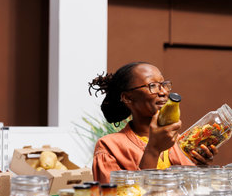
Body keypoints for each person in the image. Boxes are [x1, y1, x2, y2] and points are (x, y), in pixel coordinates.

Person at [89, 62, 218, 183]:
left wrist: (202, 168)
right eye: (152, 86)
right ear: (128, 97)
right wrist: (153, 150)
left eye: (163, 85)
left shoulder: (180, 142)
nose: (163, 92)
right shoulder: (109, 147)